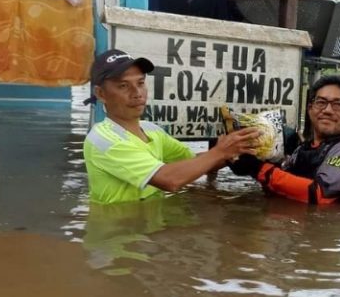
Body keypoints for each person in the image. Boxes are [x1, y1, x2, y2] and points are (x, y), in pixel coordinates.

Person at [83, 49, 258, 204]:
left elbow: (193, 162)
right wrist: (220, 152)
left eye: (141, 83)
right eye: (123, 86)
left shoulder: (150, 129)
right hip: (118, 234)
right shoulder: (103, 140)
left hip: (148, 223)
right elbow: (170, 180)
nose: (137, 93)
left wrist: (238, 150)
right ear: (100, 94)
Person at [229, 74, 340, 205]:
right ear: (310, 109)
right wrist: (245, 163)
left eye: (337, 104)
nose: (328, 110)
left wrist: (258, 169)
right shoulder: (302, 149)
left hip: (330, 231)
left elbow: (319, 193)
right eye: (321, 102)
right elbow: (281, 182)